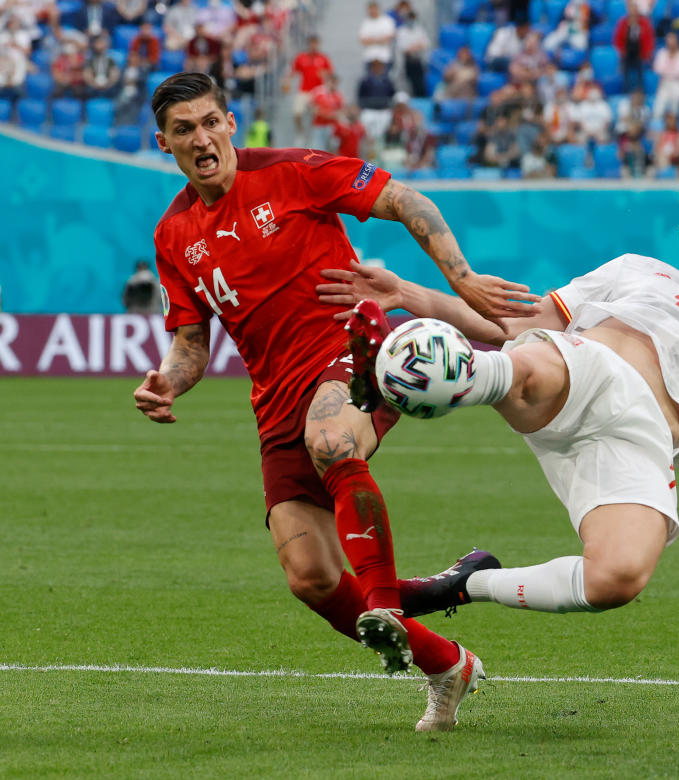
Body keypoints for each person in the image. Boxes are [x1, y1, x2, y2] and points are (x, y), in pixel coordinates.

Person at [317, 167, 679, 634]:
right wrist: (410, 293)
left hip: (638, 446)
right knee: (527, 361)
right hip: (585, 368)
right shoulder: (636, 271)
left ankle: (466, 583)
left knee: (616, 579)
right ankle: (399, 364)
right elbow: (514, 322)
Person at [132, 73, 539, 730]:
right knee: (311, 577)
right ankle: (446, 662)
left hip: (352, 347)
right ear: (165, 143)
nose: (201, 138)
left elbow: (405, 198)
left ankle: (383, 596)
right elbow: (189, 344)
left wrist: (461, 280)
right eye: (185, 130)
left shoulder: (294, 172)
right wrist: (166, 381)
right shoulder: (174, 235)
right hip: (275, 397)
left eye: (211, 122)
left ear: (232, 124)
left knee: (332, 441)